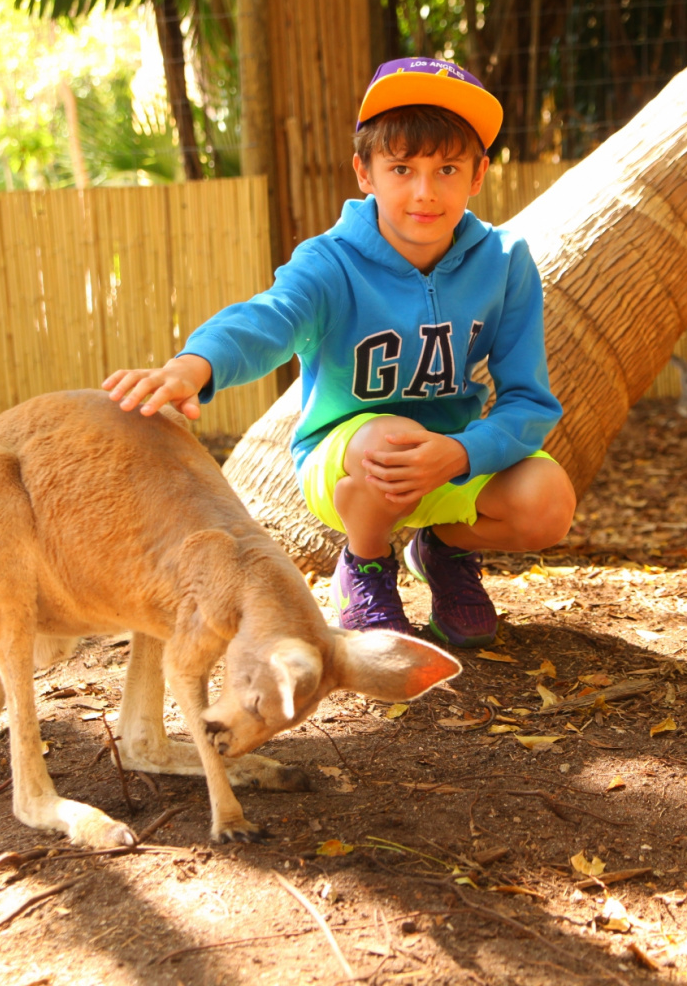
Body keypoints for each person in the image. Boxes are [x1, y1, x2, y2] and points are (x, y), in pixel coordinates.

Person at [103, 57, 576, 648]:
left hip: (447, 459)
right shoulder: (330, 261)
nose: (425, 192)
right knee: (392, 437)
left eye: (447, 169)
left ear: (478, 175)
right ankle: (365, 563)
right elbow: (271, 316)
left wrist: (459, 452)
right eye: (401, 168)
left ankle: (444, 550)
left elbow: (529, 401)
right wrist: (195, 364)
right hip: (348, 461)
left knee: (548, 500)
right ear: (365, 172)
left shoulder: (504, 261)